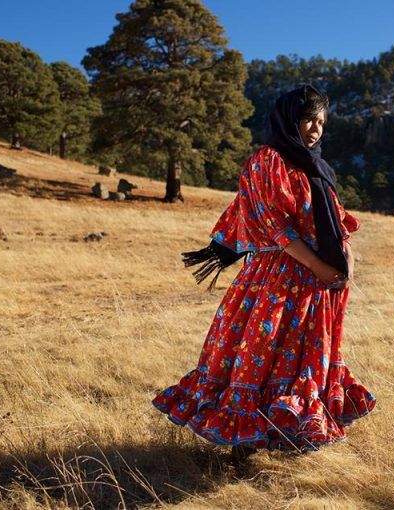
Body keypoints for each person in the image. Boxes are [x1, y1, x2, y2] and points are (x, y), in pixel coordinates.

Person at [151, 84, 376, 456]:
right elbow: (278, 229)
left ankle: (290, 436)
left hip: (317, 287)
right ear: (289, 119)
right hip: (277, 280)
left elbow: (337, 224)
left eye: (322, 122)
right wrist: (321, 268)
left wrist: (345, 266)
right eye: (308, 119)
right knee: (263, 354)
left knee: (302, 359)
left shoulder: (317, 168)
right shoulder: (268, 161)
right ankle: (244, 446)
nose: (316, 129)